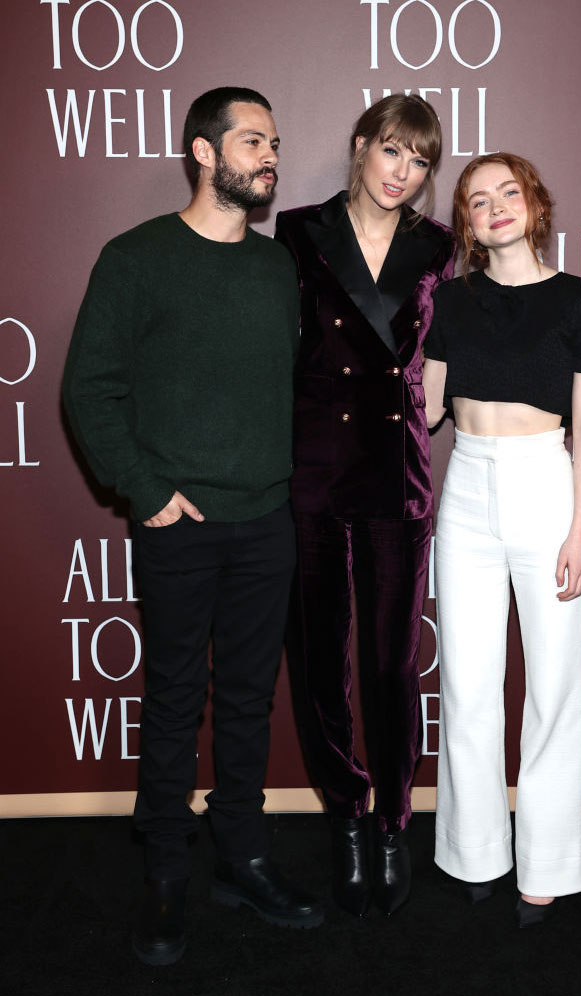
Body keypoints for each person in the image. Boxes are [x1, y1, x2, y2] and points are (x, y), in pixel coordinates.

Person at [62, 86, 323, 966]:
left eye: (276, 141)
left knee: (251, 700)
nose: (271, 155)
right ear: (205, 153)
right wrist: (147, 489)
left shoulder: (276, 266)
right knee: (175, 698)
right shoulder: (135, 258)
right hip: (178, 523)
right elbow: (88, 388)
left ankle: (240, 855)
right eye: (254, 140)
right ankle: (167, 871)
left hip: (267, 521)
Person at [422, 152, 581, 927]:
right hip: (465, 488)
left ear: (534, 204)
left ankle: (550, 863)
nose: (494, 207)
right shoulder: (451, 300)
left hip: (545, 486)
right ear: (466, 225)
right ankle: (473, 852)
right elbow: (426, 409)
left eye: (508, 192)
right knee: (467, 685)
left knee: (554, 687)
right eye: (476, 201)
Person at [275, 95, 456, 917]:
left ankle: (391, 823)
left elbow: (444, 356)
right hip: (312, 467)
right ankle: (346, 816)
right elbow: (278, 350)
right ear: (359, 147)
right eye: (392, 151)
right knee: (318, 660)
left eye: (420, 161)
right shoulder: (299, 231)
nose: (403, 173)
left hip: (396, 472)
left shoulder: (437, 246)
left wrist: (429, 412)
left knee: (390, 663)